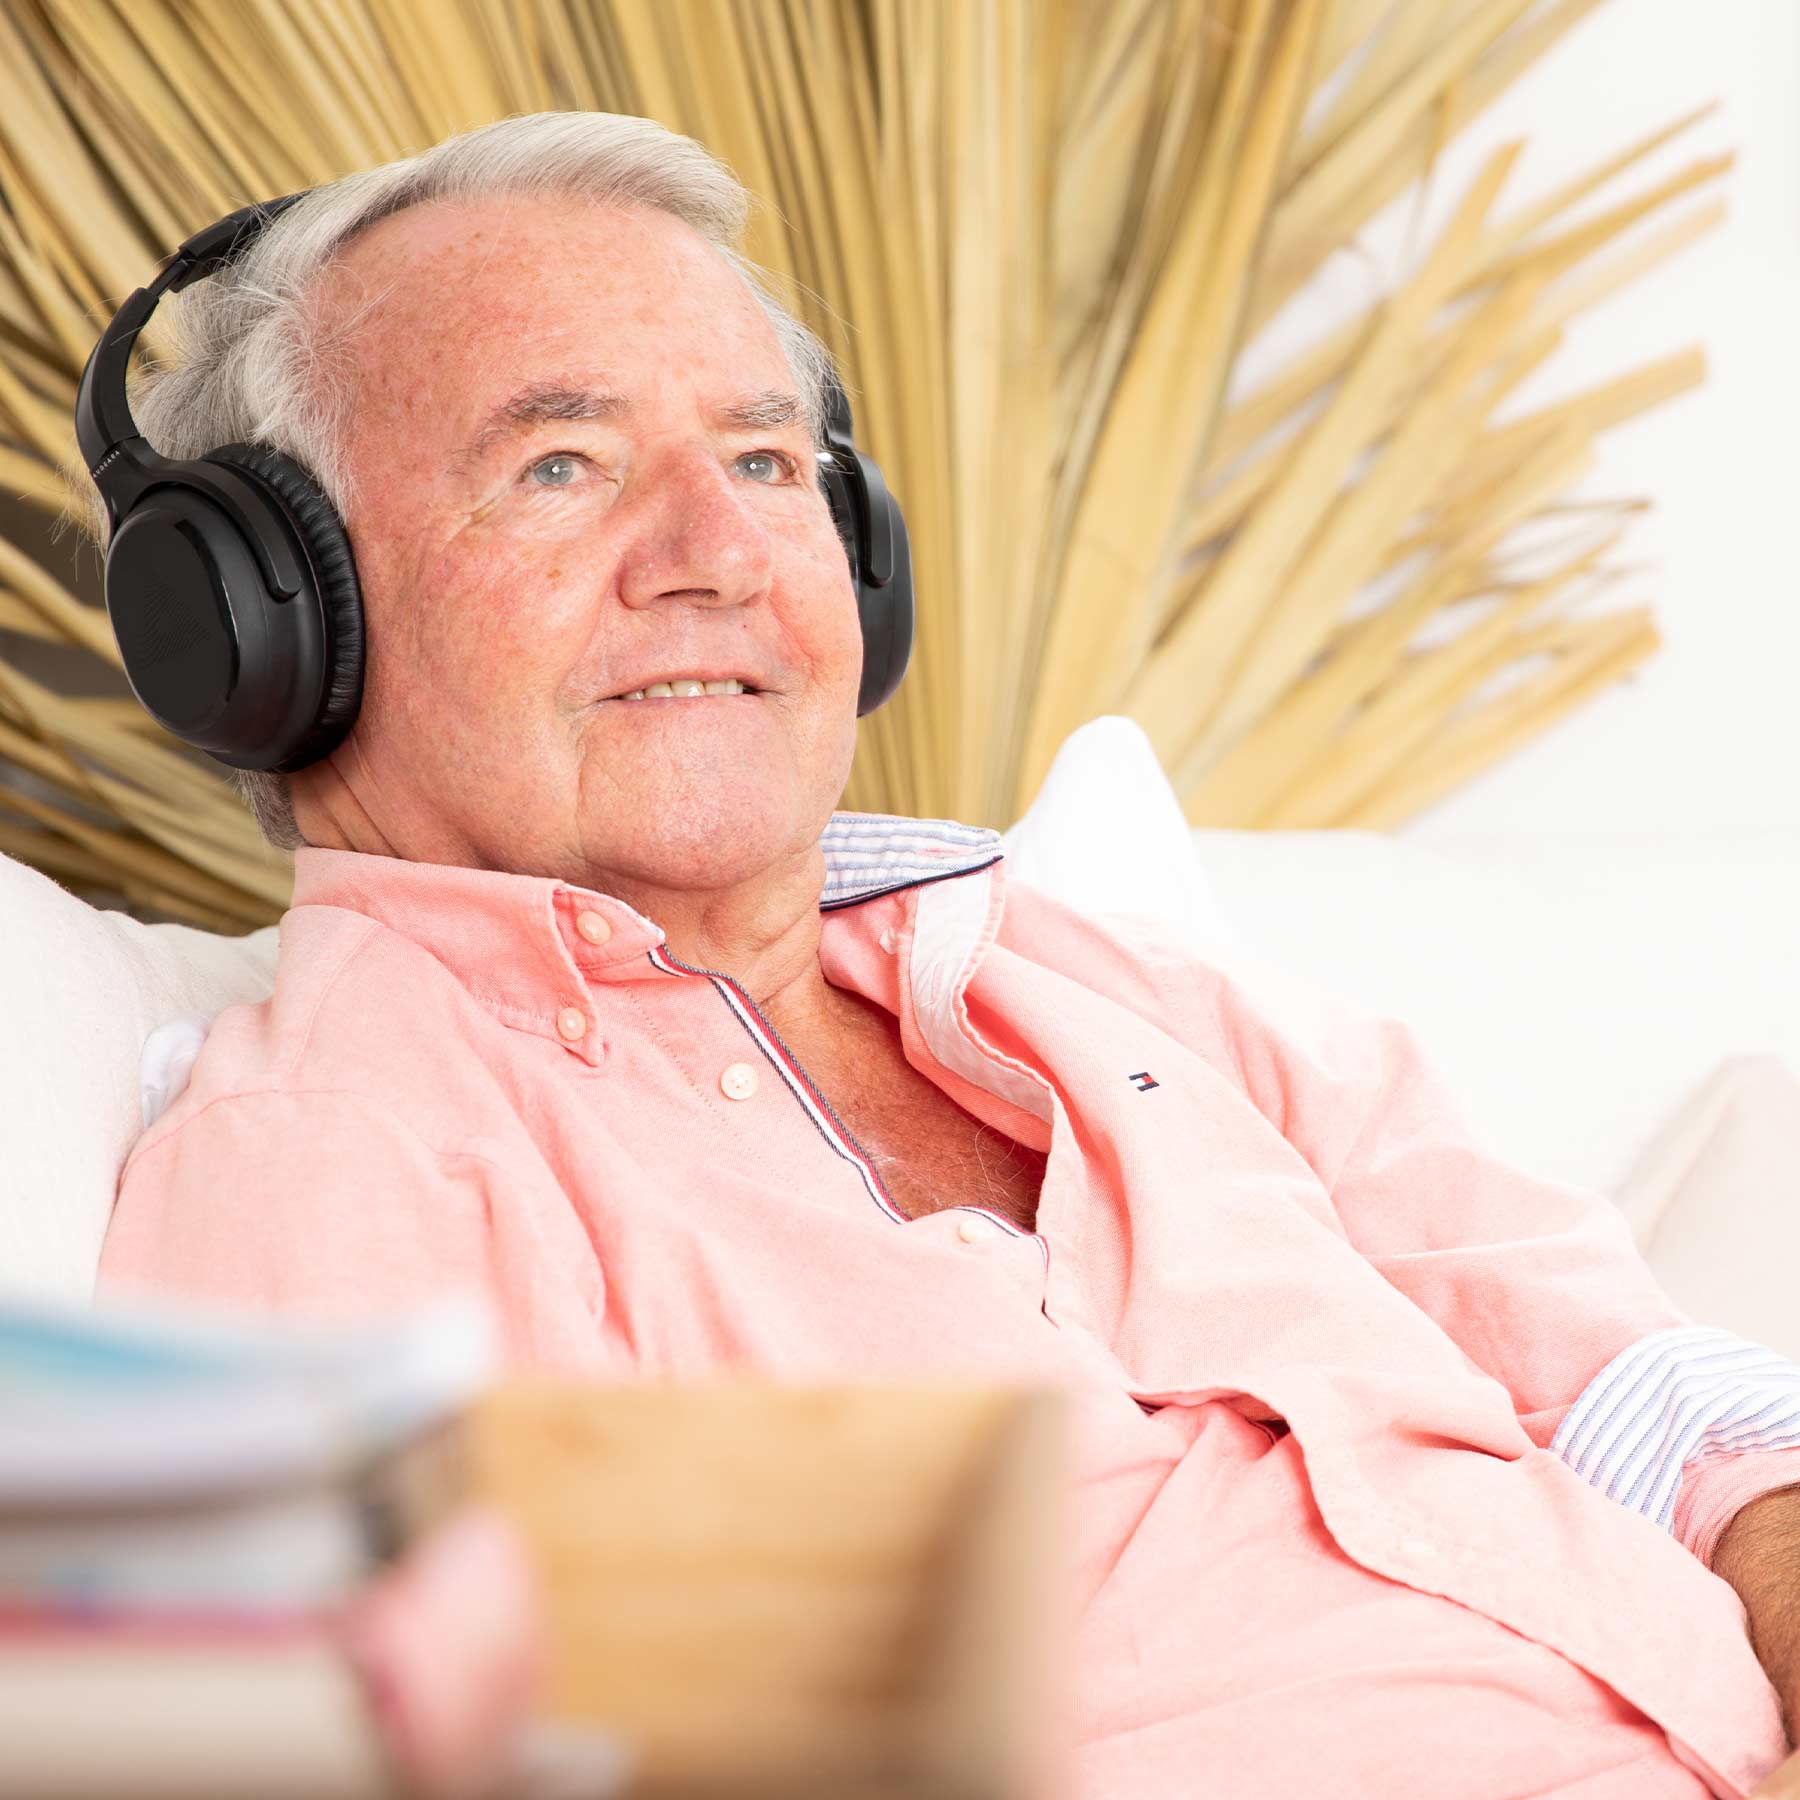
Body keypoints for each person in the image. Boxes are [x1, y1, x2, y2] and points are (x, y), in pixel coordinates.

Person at [89, 113, 1800, 1798]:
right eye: (564, 465)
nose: (723, 555)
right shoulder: (320, 1157)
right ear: (261, 620)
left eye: (765, 461)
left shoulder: (1097, 981)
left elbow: (1669, 1405)